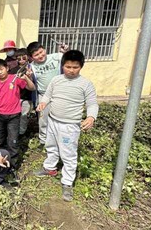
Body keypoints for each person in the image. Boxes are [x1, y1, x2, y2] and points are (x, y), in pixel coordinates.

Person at [33, 50, 98, 202]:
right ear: (63, 66)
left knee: (68, 154)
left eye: (75, 67)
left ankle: (67, 182)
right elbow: (48, 95)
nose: (71, 70)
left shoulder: (85, 84)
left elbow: (92, 103)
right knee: (51, 146)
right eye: (68, 66)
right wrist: (43, 103)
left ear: (81, 67)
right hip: (53, 121)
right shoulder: (56, 80)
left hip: (70, 126)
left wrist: (91, 117)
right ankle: (50, 168)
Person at [0, 59, 35, 167]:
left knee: (13, 141)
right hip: (0, 114)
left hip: (14, 115)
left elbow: (32, 87)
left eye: (1, 69)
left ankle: (13, 166)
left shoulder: (14, 78)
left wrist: (26, 78)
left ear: (7, 68)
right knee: (0, 140)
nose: (0, 72)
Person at [27, 42, 69, 145]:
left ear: (44, 49)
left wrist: (66, 51)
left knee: (60, 118)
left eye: (41, 52)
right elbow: (31, 84)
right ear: (31, 57)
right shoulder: (31, 67)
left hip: (59, 94)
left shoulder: (57, 57)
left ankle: (59, 140)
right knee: (43, 120)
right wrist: (28, 76)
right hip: (43, 95)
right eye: (36, 55)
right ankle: (43, 141)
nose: (40, 56)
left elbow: (69, 60)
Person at [9, 48, 36, 136]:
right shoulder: (13, 70)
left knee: (24, 116)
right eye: (19, 59)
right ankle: (13, 132)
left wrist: (29, 77)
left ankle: (21, 133)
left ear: (27, 57)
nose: (21, 61)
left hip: (27, 97)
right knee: (15, 116)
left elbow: (33, 85)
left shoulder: (32, 69)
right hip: (16, 97)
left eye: (24, 58)